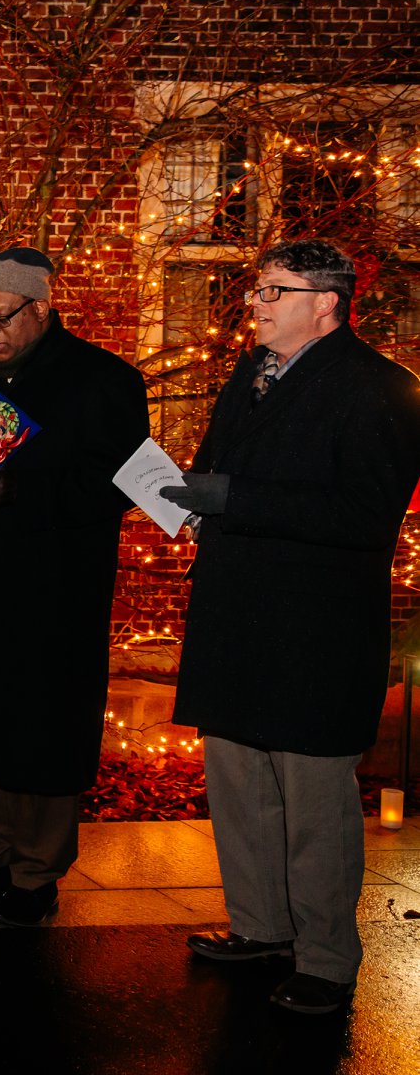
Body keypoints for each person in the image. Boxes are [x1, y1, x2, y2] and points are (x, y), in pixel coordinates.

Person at [166, 241, 420, 1015]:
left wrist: (230, 496)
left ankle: (325, 959)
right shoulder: (250, 373)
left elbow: (363, 517)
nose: (254, 303)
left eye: (273, 291)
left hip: (315, 630)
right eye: (255, 291)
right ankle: (259, 927)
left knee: (314, 805)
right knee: (238, 786)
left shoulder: (382, 388)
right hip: (233, 617)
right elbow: (218, 471)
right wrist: (185, 498)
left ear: (326, 303)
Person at [0, 247, 148, 926]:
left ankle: (36, 874)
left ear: (41, 310)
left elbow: (119, 483)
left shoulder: (102, 379)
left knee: (43, 732)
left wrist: (20, 492)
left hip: (53, 591)